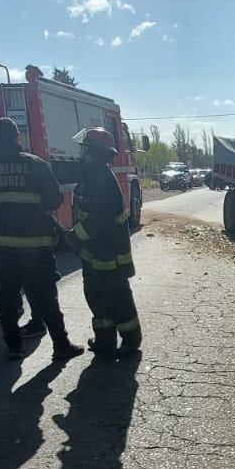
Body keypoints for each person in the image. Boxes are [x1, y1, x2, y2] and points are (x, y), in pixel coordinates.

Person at [0, 117, 84, 361]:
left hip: (1, 246)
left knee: (8, 299)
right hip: (36, 245)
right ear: (18, 137)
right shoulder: (36, 164)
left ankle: (14, 348)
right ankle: (61, 346)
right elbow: (54, 200)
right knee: (47, 298)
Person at [70, 126, 141, 355]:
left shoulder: (101, 180)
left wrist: (74, 236)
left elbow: (99, 220)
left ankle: (130, 340)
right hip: (94, 252)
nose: (81, 153)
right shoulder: (91, 176)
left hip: (109, 253)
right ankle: (105, 340)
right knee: (96, 297)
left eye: (85, 149)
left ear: (94, 152)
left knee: (117, 297)